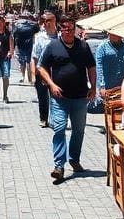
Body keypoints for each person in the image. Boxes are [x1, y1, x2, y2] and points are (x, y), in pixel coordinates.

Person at [38, 14, 96, 184]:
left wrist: (93, 87)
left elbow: (91, 68)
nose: (69, 32)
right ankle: (59, 166)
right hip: (59, 97)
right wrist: (51, 84)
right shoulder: (53, 46)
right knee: (59, 129)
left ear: (75, 29)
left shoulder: (83, 47)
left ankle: (74, 159)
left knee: (78, 130)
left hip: (80, 97)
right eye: (65, 29)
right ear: (60, 29)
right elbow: (42, 67)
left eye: (71, 29)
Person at [31, 11, 59, 128]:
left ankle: (56, 119)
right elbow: (34, 56)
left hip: (57, 71)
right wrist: (33, 74)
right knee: (42, 97)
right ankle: (43, 118)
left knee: (56, 96)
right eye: (45, 21)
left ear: (54, 22)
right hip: (42, 71)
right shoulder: (39, 37)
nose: (46, 23)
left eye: (49, 21)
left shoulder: (61, 37)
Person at [95, 32, 124, 101]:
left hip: (122, 84)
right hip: (108, 85)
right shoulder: (102, 48)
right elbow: (99, 68)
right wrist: (101, 86)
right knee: (110, 107)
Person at [0, 14, 14, 103]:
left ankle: (5, 95)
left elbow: (11, 44)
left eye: (1, 21)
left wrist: (10, 52)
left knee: (6, 76)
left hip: (5, 57)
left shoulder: (8, 33)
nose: (0, 23)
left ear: (4, 22)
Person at [12, 12, 38, 85]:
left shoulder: (16, 24)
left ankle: (24, 77)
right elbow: (36, 32)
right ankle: (30, 78)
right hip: (29, 44)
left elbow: (14, 35)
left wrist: (13, 46)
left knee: (22, 62)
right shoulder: (33, 24)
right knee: (29, 61)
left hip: (20, 45)